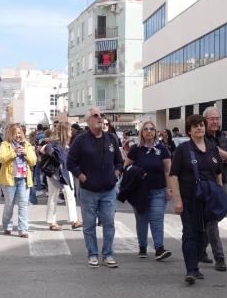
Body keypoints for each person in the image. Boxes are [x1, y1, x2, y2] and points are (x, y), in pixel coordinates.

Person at [168, 114, 221, 285]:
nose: (199, 128)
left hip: (208, 200)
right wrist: (178, 200)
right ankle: (191, 269)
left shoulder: (212, 147)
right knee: (189, 233)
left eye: (201, 125)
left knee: (202, 234)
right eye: (195, 126)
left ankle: (197, 263)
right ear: (189, 130)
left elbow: (218, 172)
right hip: (189, 199)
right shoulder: (183, 149)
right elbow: (174, 175)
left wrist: (219, 194)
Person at [68, 108, 123, 268]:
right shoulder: (81, 140)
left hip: (108, 190)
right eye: (96, 116)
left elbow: (119, 161)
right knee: (89, 224)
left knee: (109, 223)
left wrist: (116, 173)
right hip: (88, 191)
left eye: (101, 115)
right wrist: (83, 177)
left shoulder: (111, 138)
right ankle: (92, 254)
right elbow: (71, 163)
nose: (100, 118)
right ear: (88, 121)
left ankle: (107, 254)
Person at [125, 120, 173, 261]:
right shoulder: (136, 149)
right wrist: (137, 171)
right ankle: (142, 247)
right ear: (141, 132)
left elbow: (167, 170)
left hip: (158, 190)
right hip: (140, 191)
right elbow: (126, 167)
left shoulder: (162, 149)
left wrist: (169, 189)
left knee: (157, 219)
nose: (149, 131)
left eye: (151, 129)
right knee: (142, 220)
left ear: (155, 132)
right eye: (145, 129)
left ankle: (159, 249)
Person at [202, 107, 227, 271]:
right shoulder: (202, 137)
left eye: (217, 118)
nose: (215, 121)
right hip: (208, 184)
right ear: (205, 120)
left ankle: (201, 249)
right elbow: (212, 152)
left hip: (222, 182)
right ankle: (219, 257)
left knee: (213, 219)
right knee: (212, 220)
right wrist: (226, 155)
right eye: (211, 119)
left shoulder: (223, 137)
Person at [41, 121, 81, 230]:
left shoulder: (68, 144)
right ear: (64, 131)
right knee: (53, 196)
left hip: (66, 172)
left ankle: (74, 220)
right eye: (69, 130)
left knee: (70, 195)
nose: (71, 132)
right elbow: (43, 150)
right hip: (55, 173)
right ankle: (52, 222)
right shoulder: (54, 143)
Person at [0, 124, 36, 237]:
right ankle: (7, 225)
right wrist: (14, 152)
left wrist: (26, 154)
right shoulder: (5, 144)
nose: (18, 135)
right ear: (10, 134)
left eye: (19, 133)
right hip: (9, 179)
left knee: (23, 204)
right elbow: (1, 159)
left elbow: (33, 161)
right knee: (9, 204)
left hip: (23, 179)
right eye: (15, 133)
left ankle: (23, 229)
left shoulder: (27, 145)